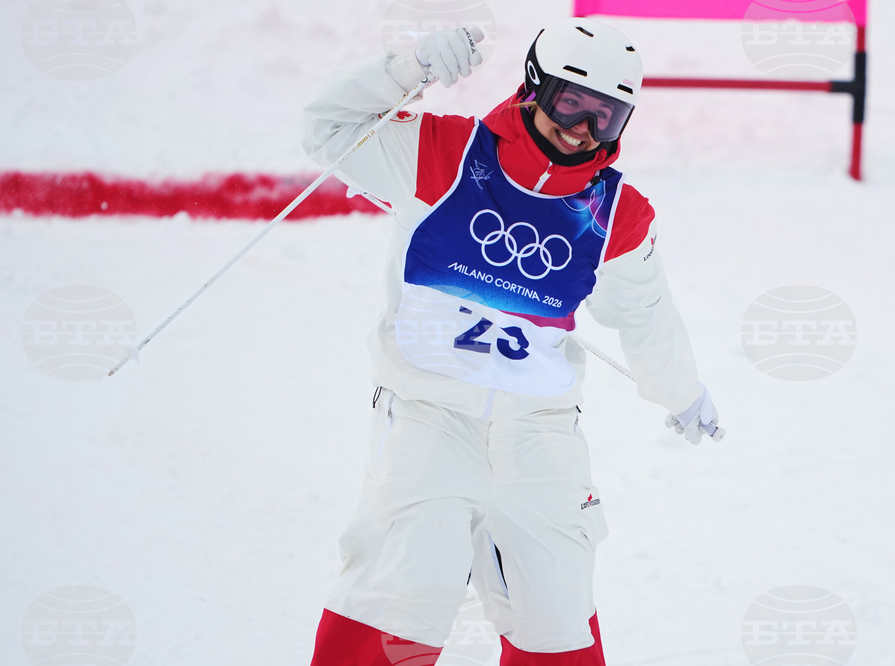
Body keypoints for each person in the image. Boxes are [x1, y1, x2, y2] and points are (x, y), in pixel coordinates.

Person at [302, 17, 722, 665]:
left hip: (540, 434)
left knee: (556, 620)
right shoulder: (442, 153)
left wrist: (681, 391)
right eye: (570, 102)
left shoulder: (616, 213)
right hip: (428, 416)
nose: (583, 128)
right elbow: (327, 128)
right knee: (399, 597)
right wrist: (410, 69)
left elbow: (646, 313)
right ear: (533, 86)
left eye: (606, 116)